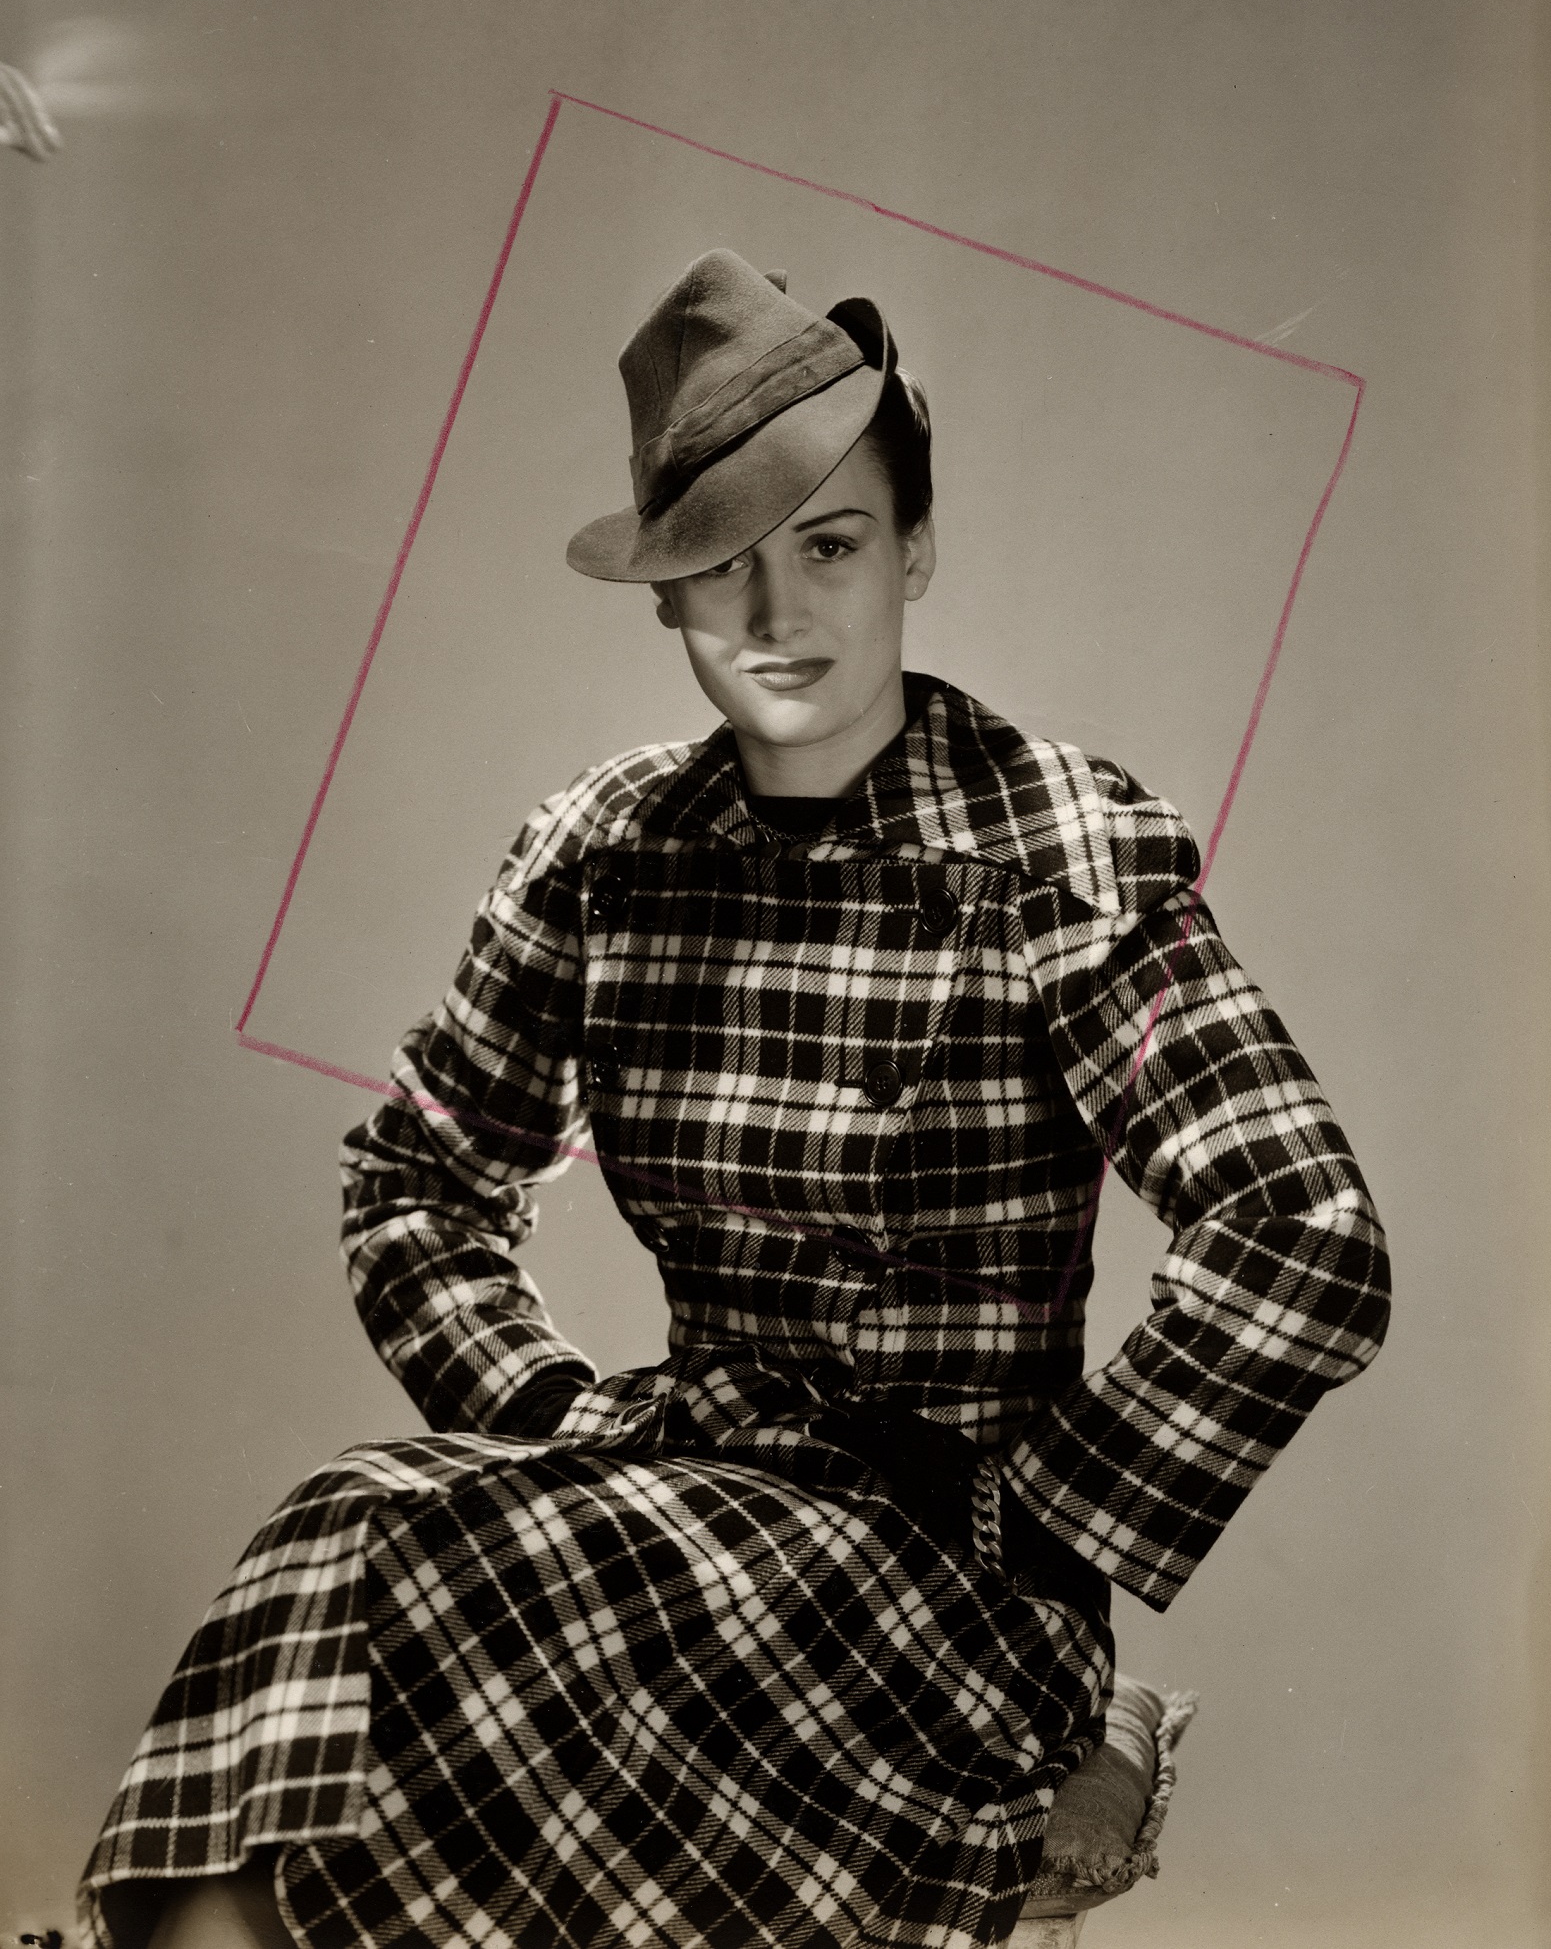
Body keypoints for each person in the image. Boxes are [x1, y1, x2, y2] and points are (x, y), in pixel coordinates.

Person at [82, 251, 1391, 1949]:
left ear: (915, 549)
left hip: (953, 1597)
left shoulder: (1053, 849)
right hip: (667, 1506)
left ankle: (1093, 1737)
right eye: (722, 568)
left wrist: (1045, 1510)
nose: (777, 621)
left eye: (831, 547)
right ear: (666, 596)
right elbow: (416, 1183)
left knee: (415, 1572)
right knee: (361, 1531)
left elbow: (1305, 1236)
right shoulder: (604, 851)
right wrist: (548, 1407)